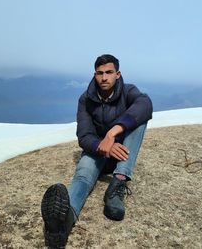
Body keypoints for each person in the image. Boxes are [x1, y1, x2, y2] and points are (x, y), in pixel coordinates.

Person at [41, 54, 153, 248]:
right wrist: (104, 146)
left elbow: (146, 105)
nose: (104, 78)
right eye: (100, 73)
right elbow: (84, 136)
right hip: (98, 152)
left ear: (117, 74)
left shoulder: (129, 91)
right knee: (82, 177)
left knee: (139, 121)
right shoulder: (86, 99)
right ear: (94, 75)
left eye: (109, 72)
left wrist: (113, 132)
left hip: (122, 154)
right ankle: (63, 223)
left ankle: (117, 184)